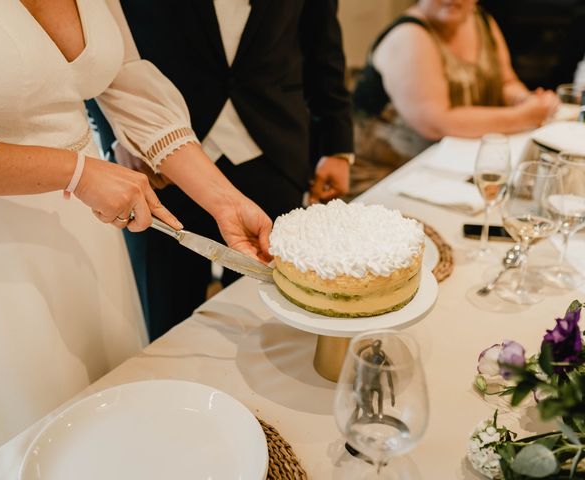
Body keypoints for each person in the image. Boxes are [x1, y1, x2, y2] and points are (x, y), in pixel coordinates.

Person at [0, 0, 272, 472]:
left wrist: (223, 201)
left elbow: (125, 82)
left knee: (111, 417)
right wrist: (76, 171)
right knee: (28, 434)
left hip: (88, 232)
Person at [88, 0, 355, 340]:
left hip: (275, 150)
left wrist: (336, 146)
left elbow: (323, 49)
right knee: (166, 317)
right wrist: (118, 137)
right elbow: (93, 48)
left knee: (278, 316)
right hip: (159, 167)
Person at [349, 0, 559, 197]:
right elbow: (437, 122)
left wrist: (525, 99)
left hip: (452, 169)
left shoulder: (480, 20)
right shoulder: (408, 36)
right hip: (389, 178)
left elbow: (505, 81)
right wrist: (523, 116)